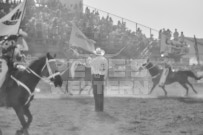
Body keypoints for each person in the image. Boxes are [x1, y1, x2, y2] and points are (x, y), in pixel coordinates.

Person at [89, 48, 108, 112]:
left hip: (95, 76)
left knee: (95, 92)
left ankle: (97, 108)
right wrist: (104, 77)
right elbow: (106, 69)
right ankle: (100, 108)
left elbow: (92, 70)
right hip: (101, 77)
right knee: (100, 93)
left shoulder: (93, 60)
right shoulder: (104, 60)